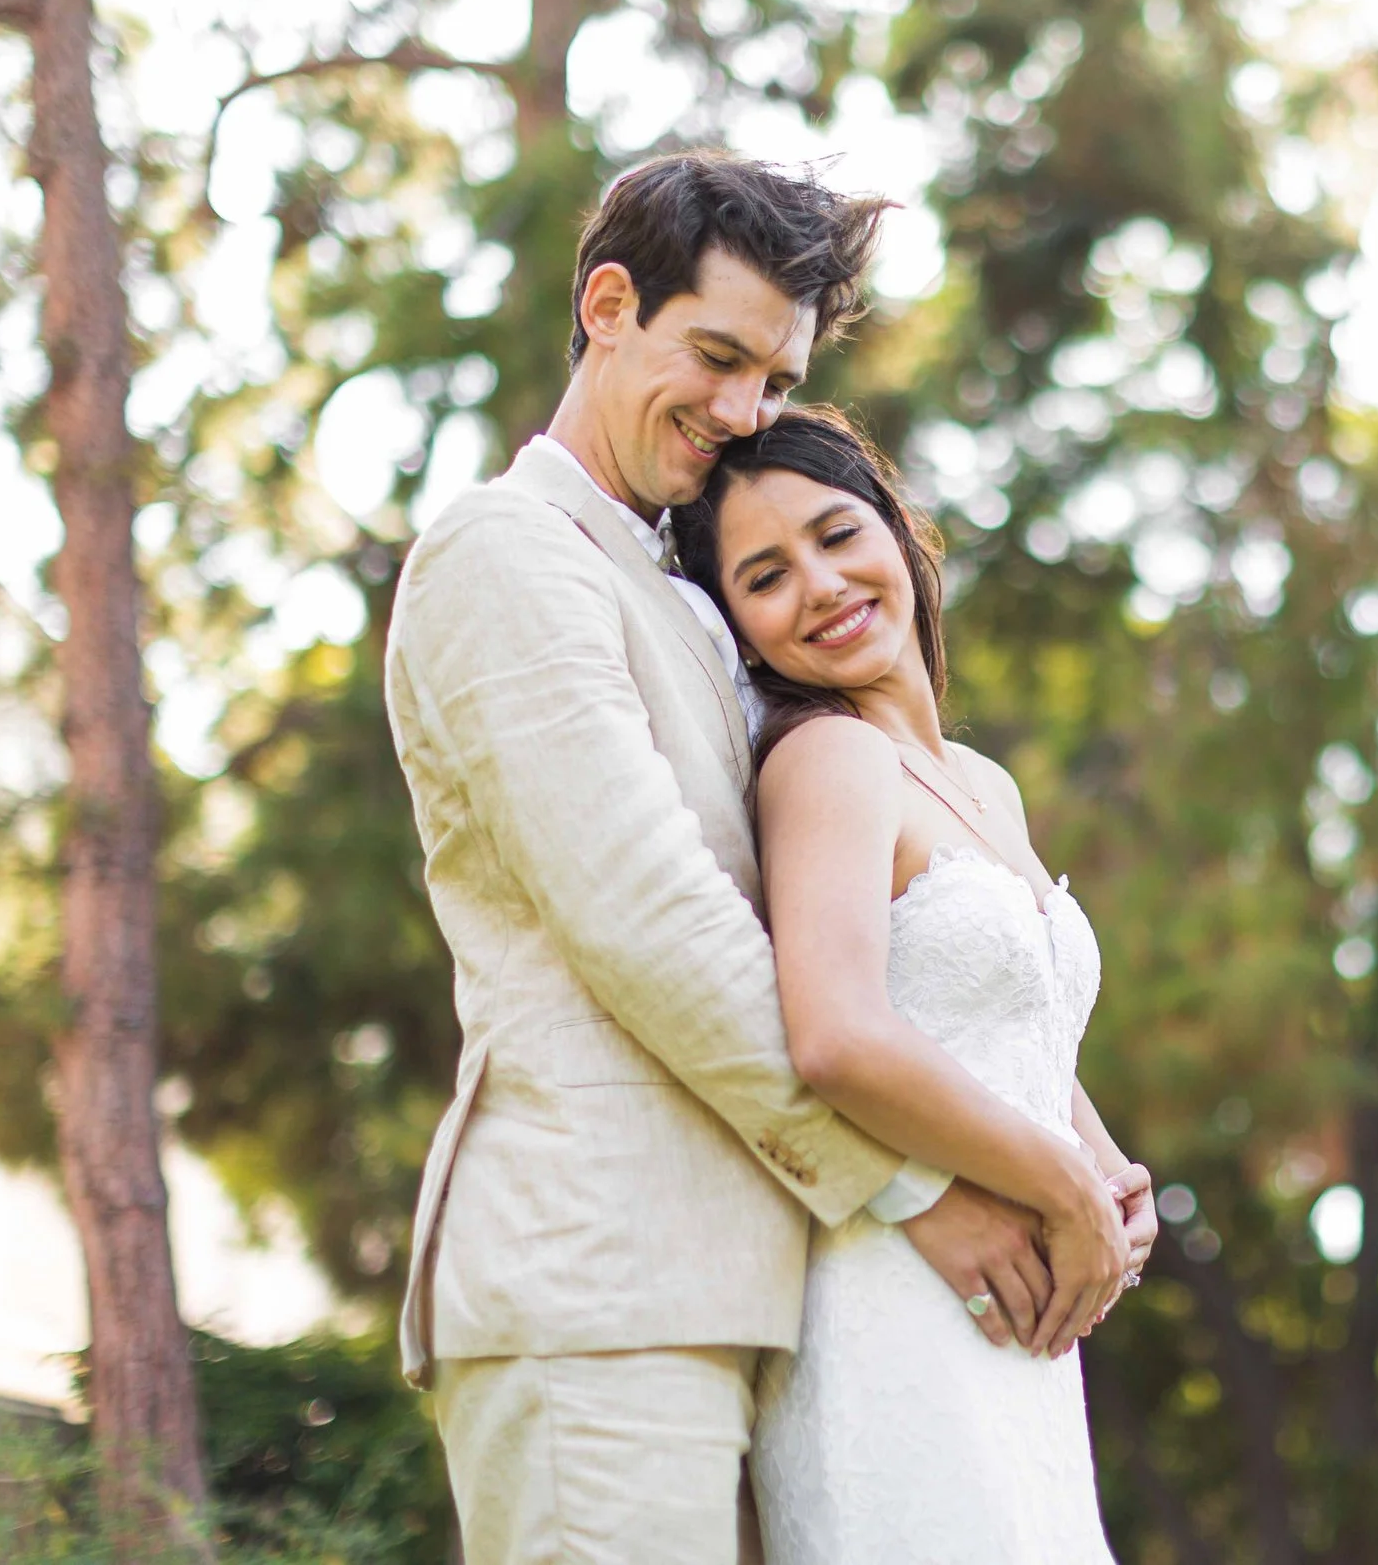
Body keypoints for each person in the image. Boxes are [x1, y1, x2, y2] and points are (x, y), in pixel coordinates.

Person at [382, 150, 1137, 1563]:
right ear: (608, 304)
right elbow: (651, 923)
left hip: (765, 1297)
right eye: (716, 355)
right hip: (597, 1286)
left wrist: (1070, 1136)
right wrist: (925, 1185)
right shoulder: (507, 552)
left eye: (776, 382)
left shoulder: (679, 597)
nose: (741, 413)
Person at [670, 404, 1151, 1564]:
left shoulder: (982, 782)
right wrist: (1058, 1184)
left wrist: (1107, 1172)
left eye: (839, 534)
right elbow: (835, 1031)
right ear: (736, 621)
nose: (824, 584)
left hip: (1021, 1336)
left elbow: (1007, 1018)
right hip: (898, 1304)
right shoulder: (825, 758)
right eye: (767, 574)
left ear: (897, 528)